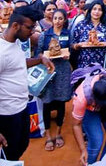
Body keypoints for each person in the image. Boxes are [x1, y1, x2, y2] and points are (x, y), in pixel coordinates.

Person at [0, 6, 54, 160]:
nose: (33, 31)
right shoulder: (1, 52)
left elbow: (18, 63)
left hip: (21, 108)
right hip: (6, 115)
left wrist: (40, 59)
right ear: (16, 26)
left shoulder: (15, 41)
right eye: (30, 27)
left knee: (22, 144)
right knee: (9, 156)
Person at [72, 68, 106, 165]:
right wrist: (83, 150)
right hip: (90, 111)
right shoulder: (82, 97)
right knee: (96, 141)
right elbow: (76, 124)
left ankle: (104, 163)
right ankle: (90, 163)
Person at [37, 9, 72, 151]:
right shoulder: (45, 34)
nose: (57, 21)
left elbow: (71, 50)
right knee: (47, 102)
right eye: (55, 18)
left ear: (64, 20)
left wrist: (68, 55)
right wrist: (44, 57)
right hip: (48, 72)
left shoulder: (68, 34)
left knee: (61, 102)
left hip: (63, 71)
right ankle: (48, 135)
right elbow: (38, 52)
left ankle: (58, 133)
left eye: (60, 18)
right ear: (52, 19)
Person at [72, 0, 106, 68]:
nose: (96, 12)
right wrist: (78, 45)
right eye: (94, 9)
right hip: (84, 62)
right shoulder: (81, 25)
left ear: (103, 12)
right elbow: (74, 44)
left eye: (99, 10)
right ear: (90, 10)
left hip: (102, 62)